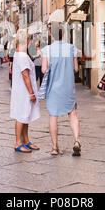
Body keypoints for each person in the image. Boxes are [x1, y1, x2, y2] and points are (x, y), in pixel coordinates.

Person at [41, 25, 81, 156]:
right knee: (72, 113)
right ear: (63, 33)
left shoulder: (47, 50)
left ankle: (54, 147)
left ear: (50, 34)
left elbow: (44, 70)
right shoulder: (71, 48)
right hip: (68, 87)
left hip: (53, 88)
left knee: (53, 116)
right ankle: (76, 141)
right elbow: (76, 69)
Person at [10, 29, 40, 153]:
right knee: (21, 116)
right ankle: (18, 142)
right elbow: (25, 75)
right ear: (26, 41)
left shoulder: (19, 54)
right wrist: (31, 92)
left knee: (25, 115)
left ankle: (26, 140)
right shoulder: (22, 56)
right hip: (24, 91)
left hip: (21, 90)